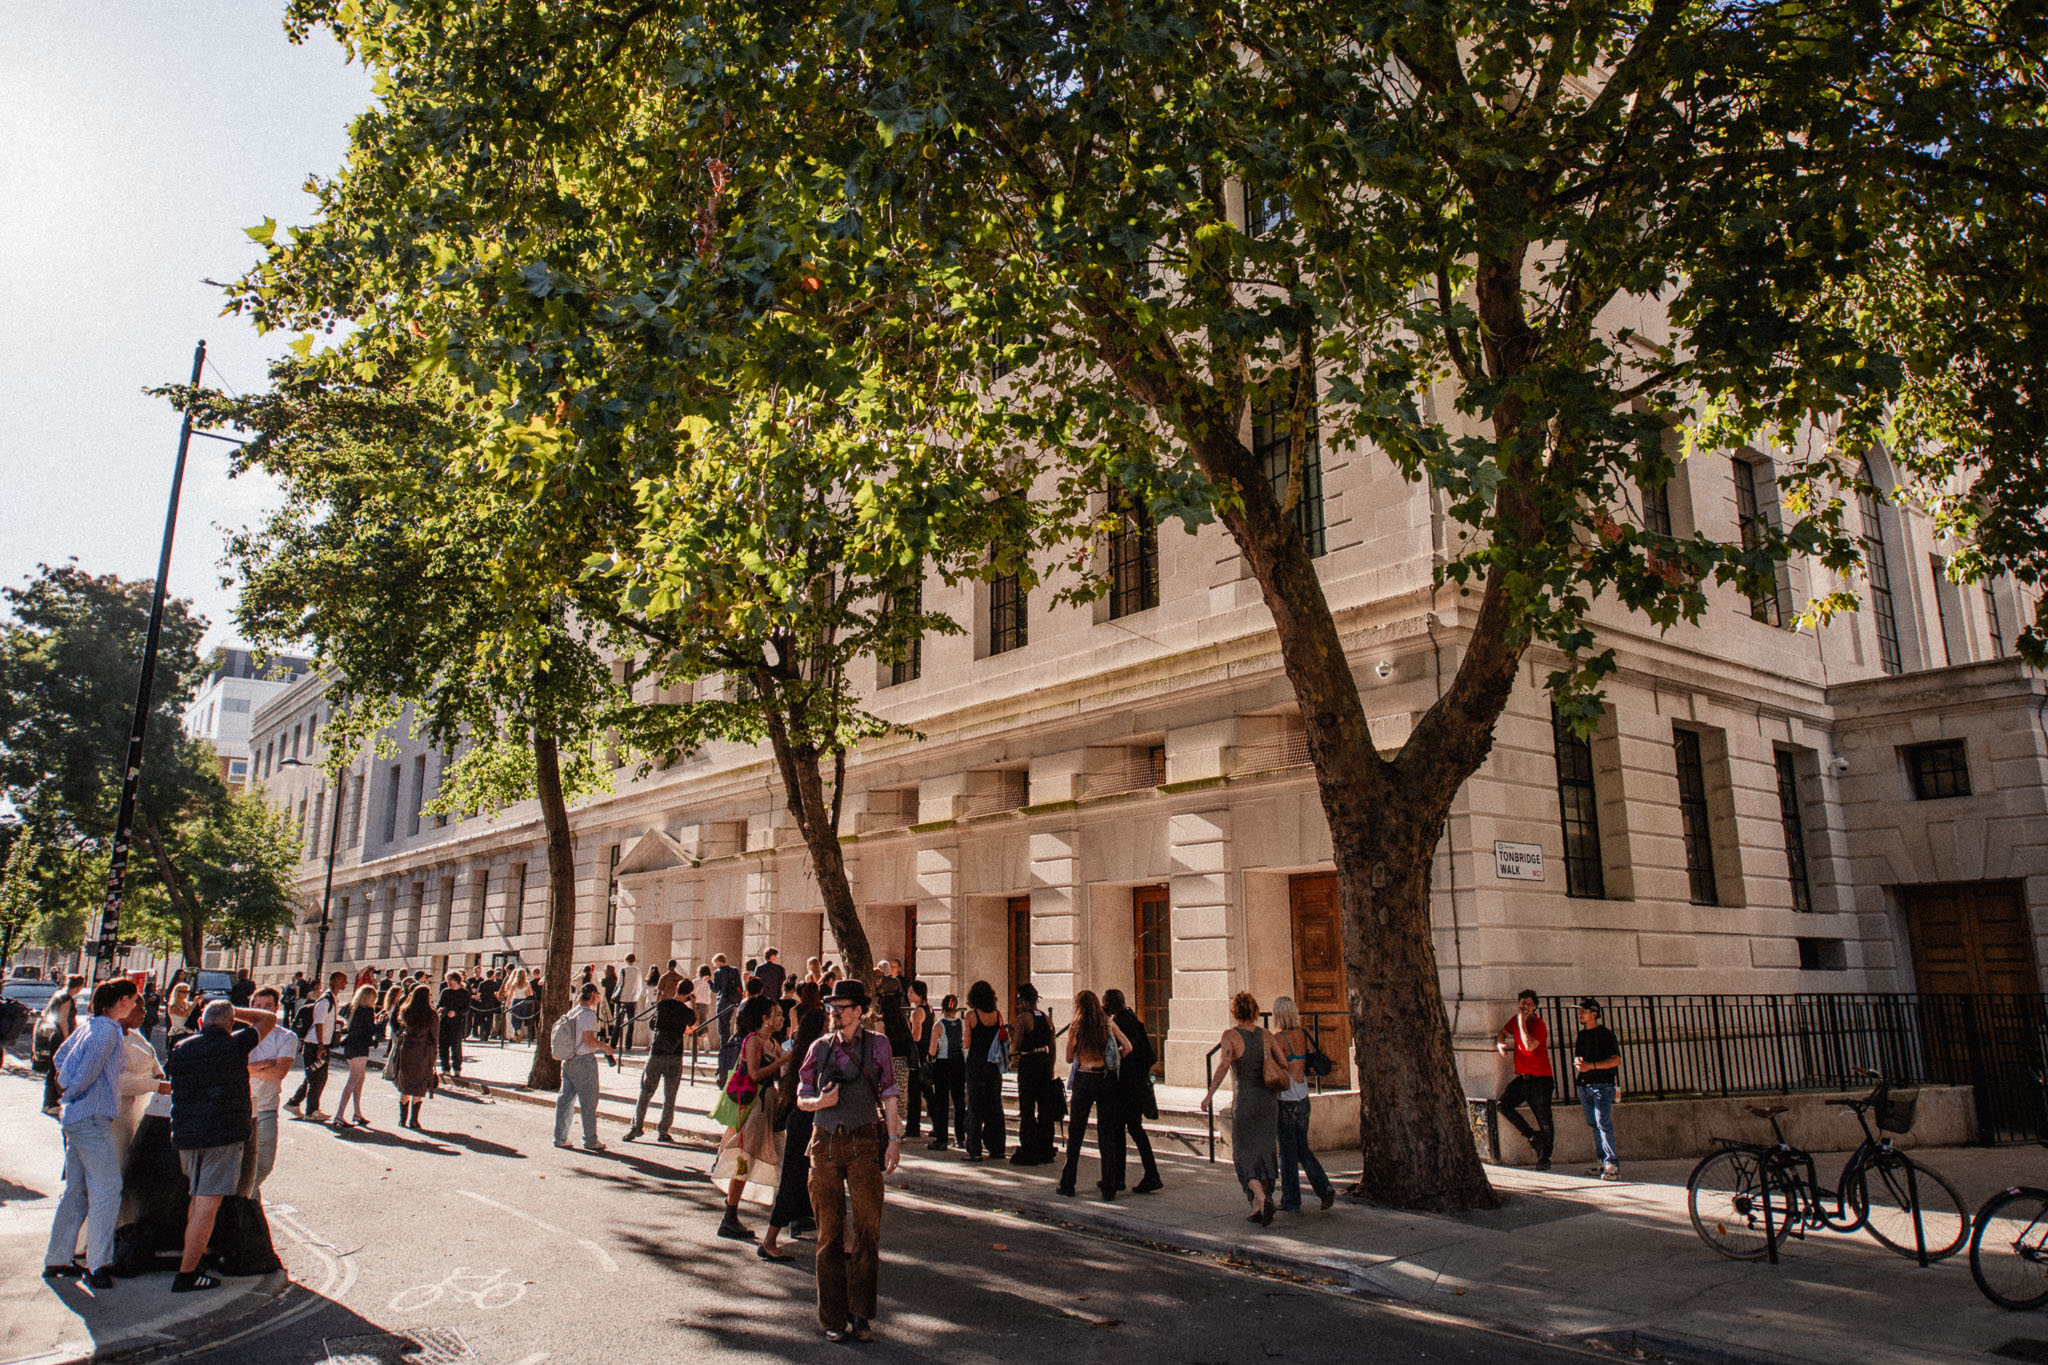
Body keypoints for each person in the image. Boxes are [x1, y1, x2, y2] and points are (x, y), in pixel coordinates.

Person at [796, 978, 903, 1343]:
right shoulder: (819, 1047)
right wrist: (818, 1104)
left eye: (840, 1008)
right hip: (824, 1141)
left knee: (868, 1229)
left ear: (859, 1011)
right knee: (828, 1233)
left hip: (863, 1140)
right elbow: (801, 1094)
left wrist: (893, 1140)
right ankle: (832, 1317)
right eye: (831, 1007)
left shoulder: (879, 1045)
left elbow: (890, 1093)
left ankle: (860, 1314)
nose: (834, 1013)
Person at [165, 997, 277, 1292]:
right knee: (207, 1204)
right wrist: (234, 1012)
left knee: (197, 1198)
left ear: (200, 1023)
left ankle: (193, 1259)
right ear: (230, 1025)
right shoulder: (235, 1044)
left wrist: (212, 1013)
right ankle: (187, 1273)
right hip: (222, 1133)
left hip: (186, 1134)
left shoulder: (181, 1048)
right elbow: (267, 1018)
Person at [44, 978, 141, 1289]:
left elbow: (61, 1056)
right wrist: (72, 1089)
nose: (137, 1007)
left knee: (77, 1190)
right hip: (91, 1116)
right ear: (123, 1000)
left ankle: (58, 1257)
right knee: (107, 1189)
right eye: (134, 1000)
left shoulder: (91, 1024)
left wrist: (67, 1088)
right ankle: (98, 1264)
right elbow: (90, 1072)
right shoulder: (106, 1030)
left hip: (76, 1116)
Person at [1201, 991, 1287, 1225]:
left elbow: (1223, 1065)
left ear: (1234, 1012)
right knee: (1265, 1150)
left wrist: (1209, 1094)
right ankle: (1260, 1205)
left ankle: (1260, 1197)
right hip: (1269, 1100)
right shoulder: (1266, 1034)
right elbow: (1284, 1063)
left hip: (1246, 1100)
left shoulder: (1230, 1035)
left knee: (1242, 1154)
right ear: (1256, 1010)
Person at [760, 983, 826, 1262]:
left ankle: (834, 1237)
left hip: (806, 1120)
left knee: (819, 1180)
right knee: (794, 1181)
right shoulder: (813, 1055)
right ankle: (769, 1240)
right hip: (805, 1121)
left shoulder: (802, 1052)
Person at [712, 997, 788, 1241]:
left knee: (766, 1157)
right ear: (764, 1018)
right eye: (776, 1014)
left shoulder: (773, 1042)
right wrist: (782, 1062)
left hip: (768, 1105)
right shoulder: (754, 1041)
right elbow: (755, 1074)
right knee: (745, 1157)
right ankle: (730, 1212)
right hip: (753, 1107)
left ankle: (733, 1212)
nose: (781, 1018)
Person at [1056, 990, 1129, 1201]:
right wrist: (1114, 1058)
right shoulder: (1107, 1024)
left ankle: (1068, 1183)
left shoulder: (1076, 1027)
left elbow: (1069, 1058)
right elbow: (1128, 1046)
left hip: (1084, 1078)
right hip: (1104, 1078)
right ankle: (1109, 1186)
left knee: (1076, 1133)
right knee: (1106, 1134)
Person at [1270, 995, 1335, 1213]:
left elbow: (1275, 1066)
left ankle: (1291, 1200)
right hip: (1303, 1097)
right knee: (1302, 1147)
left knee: (1287, 1153)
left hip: (1286, 1099)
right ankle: (1323, 1186)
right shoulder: (1302, 1034)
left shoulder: (1279, 1039)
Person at [1103, 988, 1164, 1194]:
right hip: (1136, 1083)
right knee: (1132, 1130)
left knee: (1123, 1131)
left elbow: (1119, 1052)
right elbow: (1149, 1055)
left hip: (1125, 1086)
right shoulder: (1134, 1020)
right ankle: (1130, 1176)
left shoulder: (1119, 1023)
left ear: (1109, 1005)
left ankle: (1133, 1176)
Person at [625, 971, 693, 1142]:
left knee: (646, 1091)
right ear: (689, 993)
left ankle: (637, 1126)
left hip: (657, 1052)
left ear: (677, 988)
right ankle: (663, 1130)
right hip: (675, 1054)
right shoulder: (686, 1011)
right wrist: (694, 1005)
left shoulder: (663, 1005)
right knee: (670, 1095)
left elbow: (653, 1024)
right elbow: (694, 1025)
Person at [244, 987, 299, 1190]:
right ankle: (244, 1207)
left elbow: (278, 1073)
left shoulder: (286, 1037)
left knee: (263, 1166)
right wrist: (261, 1065)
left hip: (266, 1109)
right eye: (258, 1007)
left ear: (276, 1008)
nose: (263, 1011)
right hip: (239, 1108)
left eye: (268, 1006)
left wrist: (247, 1069)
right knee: (240, 1168)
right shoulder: (241, 1036)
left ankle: (242, 1202)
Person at [1495, 989, 1555, 1170]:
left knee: (1544, 1119)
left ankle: (1545, 1158)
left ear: (1535, 1007)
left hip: (1540, 1080)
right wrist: (1500, 1043)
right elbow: (1502, 1032)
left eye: (1529, 1004)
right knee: (1502, 1105)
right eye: (1522, 1003)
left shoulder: (1538, 1025)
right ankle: (1532, 1137)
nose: (1525, 1007)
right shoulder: (1514, 1020)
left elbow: (1529, 1046)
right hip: (1523, 1079)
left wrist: (1521, 1023)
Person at [554, 982, 616, 1151]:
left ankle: (560, 1137)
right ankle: (590, 1139)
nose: (598, 999)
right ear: (592, 996)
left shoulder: (572, 1012)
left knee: (565, 1100)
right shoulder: (588, 1015)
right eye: (597, 995)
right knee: (588, 1101)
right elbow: (589, 1041)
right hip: (584, 1060)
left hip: (569, 1059)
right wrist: (605, 1047)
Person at [1572, 997, 1622, 1180]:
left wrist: (1592, 1066)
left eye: (1583, 1011)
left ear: (1594, 1014)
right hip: (1585, 1085)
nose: (1580, 1014)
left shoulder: (1606, 1034)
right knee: (1594, 1124)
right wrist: (1578, 1063)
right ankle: (1602, 1160)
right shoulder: (1582, 1035)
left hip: (1602, 1085)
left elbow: (1616, 1059)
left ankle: (1612, 1163)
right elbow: (1578, 1056)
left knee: (1603, 1123)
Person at [1009, 983, 1058, 1166]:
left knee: (1028, 1108)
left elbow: (1016, 1045)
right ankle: (1046, 1147)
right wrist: (1051, 1066)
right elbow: (1052, 1045)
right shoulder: (1046, 1018)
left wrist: (1011, 1035)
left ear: (1024, 1000)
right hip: (1044, 1062)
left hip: (1029, 1064)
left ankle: (1029, 1148)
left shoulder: (1023, 1019)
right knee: (1045, 1108)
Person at [287, 971, 346, 1120]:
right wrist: (321, 1046)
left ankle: (294, 1103)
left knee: (313, 1077)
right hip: (315, 1045)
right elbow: (318, 1023)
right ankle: (312, 1111)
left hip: (320, 1044)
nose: (345, 983)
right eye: (343, 980)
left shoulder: (332, 999)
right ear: (334, 981)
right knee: (317, 1079)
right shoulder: (325, 1000)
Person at [962, 979, 1006, 1160]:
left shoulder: (971, 1017)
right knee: (994, 1105)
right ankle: (997, 1147)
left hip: (976, 1063)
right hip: (993, 1064)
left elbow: (967, 1043)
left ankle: (974, 1149)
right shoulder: (998, 1015)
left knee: (974, 1105)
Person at [330, 984, 382, 1129]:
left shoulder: (354, 1008)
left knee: (359, 1079)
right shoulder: (367, 1011)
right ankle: (339, 1115)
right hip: (360, 1047)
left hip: (351, 1045)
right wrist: (381, 1023)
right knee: (354, 1080)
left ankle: (357, 1113)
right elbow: (370, 1030)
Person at [391, 984, 440, 1130]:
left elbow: (399, 1029)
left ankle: (402, 1119)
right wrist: (434, 1056)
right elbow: (434, 1037)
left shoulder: (406, 1011)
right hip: (423, 1052)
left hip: (406, 1050)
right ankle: (414, 1120)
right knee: (419, 1085)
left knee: (405, 1084)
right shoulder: (432, 1015)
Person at [924, 993, 965, 1151]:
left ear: (942, 1007)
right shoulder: (961, 1023)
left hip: (943, 1063)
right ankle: (960, 1137)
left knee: (942, 1102)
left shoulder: (939, 1025)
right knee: (959, 1101)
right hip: (958, 1062)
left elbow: (932, 1050)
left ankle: (942, 1139)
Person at [904, 980, 931, 1140]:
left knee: (914, 1093)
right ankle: (936, 1123)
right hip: (926, 1054)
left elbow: (916, 1036)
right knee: (927, 1091)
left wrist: (908, 1029)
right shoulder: (928, 1010)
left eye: (912, 992)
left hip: (917, 1055)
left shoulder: (917, 1013)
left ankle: (913, 1127)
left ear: (920, 995)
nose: (909, 995)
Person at [436, 971, 472, 1077]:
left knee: (455, 1046)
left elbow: (467, 1009)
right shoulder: (445, 992)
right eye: (447, 980)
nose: (448, 983)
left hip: (457, 1023)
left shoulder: (464, 993)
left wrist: (456, 1013)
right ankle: (445, 1068)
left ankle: (457, 1069)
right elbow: (439, 1005)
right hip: (444, 1023)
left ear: (456, 980)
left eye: (450, 980)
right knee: (443, 1047)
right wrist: (443, 1011)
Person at [710, 955, 742, 1044]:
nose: (714, 965)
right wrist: (738, 999)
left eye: (714, 963)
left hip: (722, 1002)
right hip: (731, 1002)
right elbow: (739, 986)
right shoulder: (734, 970)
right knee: (727, 1024)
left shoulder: (718, 973)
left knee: (722, 1027)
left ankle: (724, 1046)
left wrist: (709, 981)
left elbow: (715, 989)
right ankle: (727, 1045)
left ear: (718, 961)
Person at [616, 953, 644, 1051]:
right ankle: (628, 1045)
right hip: (632, 999)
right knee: (630, 1023)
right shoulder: (637, 971)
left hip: (622, 998)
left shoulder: (623, 970)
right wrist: (637, 996)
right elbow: (640, 985)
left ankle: (614, 1043)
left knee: (618, 1022)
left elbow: (619, 984)